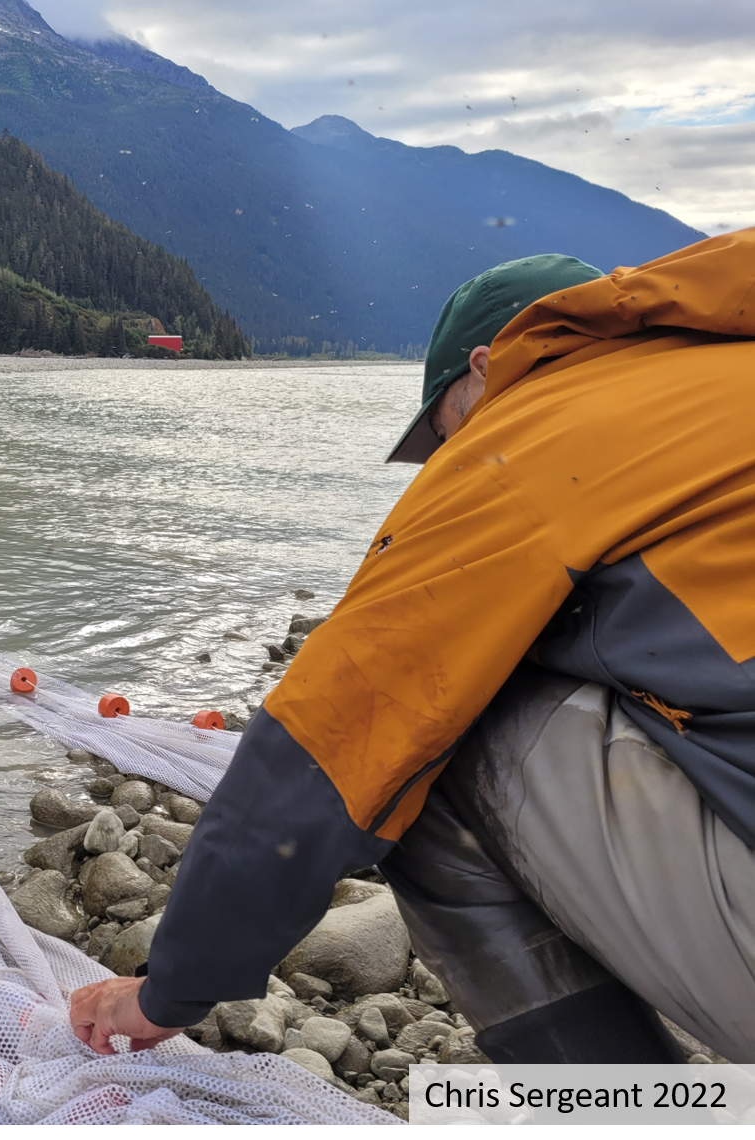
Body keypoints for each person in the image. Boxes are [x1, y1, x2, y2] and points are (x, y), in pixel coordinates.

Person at [69, 232, 755, 1064]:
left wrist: (167, 990)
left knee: (428, 734)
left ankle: (624, 1113)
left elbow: (329, 743)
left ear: (484, 368)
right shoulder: (721, 378)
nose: (442, 463)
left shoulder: (532, 438)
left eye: (441, 435)